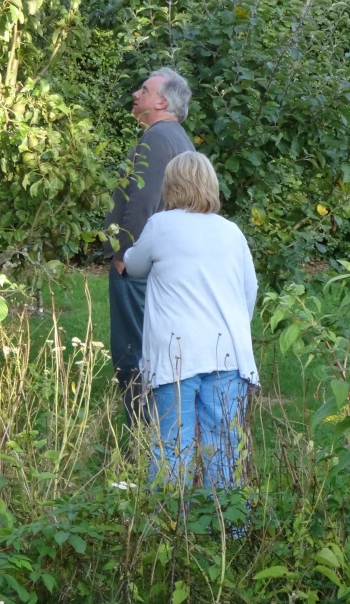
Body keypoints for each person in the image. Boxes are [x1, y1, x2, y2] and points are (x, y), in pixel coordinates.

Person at [123, 151, 259, 487]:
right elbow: (250, 290)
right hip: (225, 355)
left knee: (171, 443)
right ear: (211, 185)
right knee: (225, 445)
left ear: (169, 186)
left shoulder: (159, 226)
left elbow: (135, 265)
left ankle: (169, 526)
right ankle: (230, 527)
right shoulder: (232, 232)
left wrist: (125, 252)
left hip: (176, 356)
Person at [103, 68, 195, 426]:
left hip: (142, 265)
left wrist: (124, 254)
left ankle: (143, 437)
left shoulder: (157, 138)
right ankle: (167, 432)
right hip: (166, 259)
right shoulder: (178, 138)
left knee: (133, 351)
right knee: (160, 349)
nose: (135, 95)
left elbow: (142, 201)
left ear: (162, 101)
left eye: (144, 90)